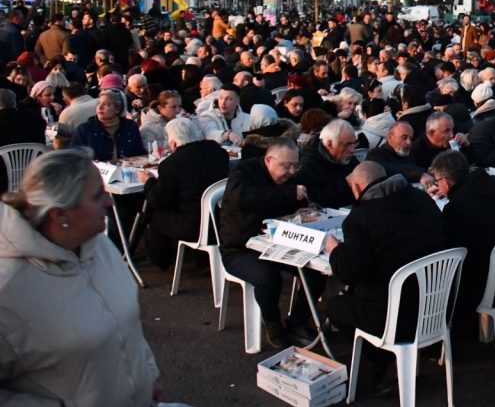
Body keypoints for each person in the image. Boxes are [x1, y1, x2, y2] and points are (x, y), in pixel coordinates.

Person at [0, 148, 161, 407]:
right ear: (59, 214)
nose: (109, 202)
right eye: (97, 195)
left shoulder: (100, 247)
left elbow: (127, 326)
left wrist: (148, 375)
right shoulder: (10, 288)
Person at [323, 162, 443, 397]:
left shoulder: (361, 218)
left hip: (390, 315)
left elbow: (349, 272)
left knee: (335, 307)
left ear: (357, 188)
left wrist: (335, 250)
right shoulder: (422, 200)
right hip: (435, 302)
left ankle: (386, 361)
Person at [219, 138, 328, 348]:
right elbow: (243, 198)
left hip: (279, 242)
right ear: (269, 160)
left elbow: (287, 202)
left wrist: (299, 211)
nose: (291, 171)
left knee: (316, 272)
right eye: (286, 166)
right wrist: (287, 194)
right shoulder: (243, 171)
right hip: (240, 247)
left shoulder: (287, 176)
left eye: (295, 166)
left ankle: (298, 321)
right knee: (268, 278)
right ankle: (272, 323)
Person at [428, 150, 495, 318]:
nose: (437, 185)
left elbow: (452, 249)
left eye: (437, 182)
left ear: (446, 182)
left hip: (485, 283)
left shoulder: (457, 208)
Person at [139, 117, 229, 270]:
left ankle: (161, 262)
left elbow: (159, 201)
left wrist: (148, 181)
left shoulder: (171, 164)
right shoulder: (218, 152)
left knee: (156, 216)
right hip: (220, 218)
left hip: (192, 225)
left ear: (173, 143)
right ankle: (202, 260)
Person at [295, 118, 360, 207]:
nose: (353, 150)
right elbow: (314, 200)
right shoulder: (308, 164)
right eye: (347, 145)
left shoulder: (348, 158)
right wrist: (346, 183)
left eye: (354, 144)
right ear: (329, 144)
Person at [69, 89, 146, 161]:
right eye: (98, 103)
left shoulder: (130, 127)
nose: (100, 107)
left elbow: (140, 155)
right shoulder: (84, 130)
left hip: (129, 170)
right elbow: (73, 159)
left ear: (118, 109)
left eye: (106, 104)